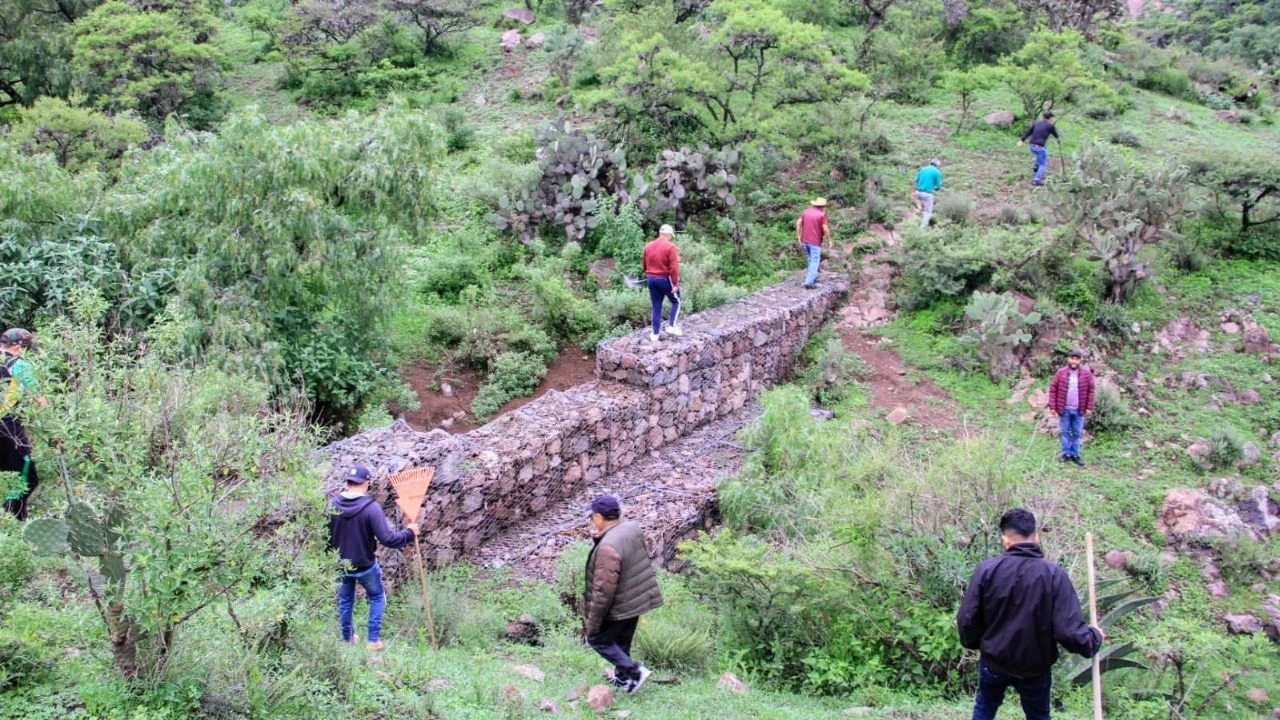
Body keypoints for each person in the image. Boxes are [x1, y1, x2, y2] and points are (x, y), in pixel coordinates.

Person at [957, 508, 1104, 720]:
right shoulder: (1054, 575)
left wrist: (977, 643)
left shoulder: (987, 571)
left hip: (994, 662)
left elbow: (967, 618)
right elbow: (1068, 630)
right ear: (1036, 537)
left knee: (985, 708)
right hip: (1035, 667)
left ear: (1005, 540)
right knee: (1038, 716)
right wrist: (1094, 638)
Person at [328, 465, 419, 651]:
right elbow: (388, 539)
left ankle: (347, 639)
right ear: (367, 483)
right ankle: (373, 641)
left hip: (340, 565)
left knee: (345, 601)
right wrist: (409, 533)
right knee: (377, 597)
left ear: (347, 483)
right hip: (365, 565)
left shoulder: (332, 505)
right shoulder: (371, 508)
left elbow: (324, 536)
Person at [583, 495, 663, 694]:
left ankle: (635, 672)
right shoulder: (631, 528)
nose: (592, 521)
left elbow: (603, 590)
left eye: (592, 517)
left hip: (620, 603)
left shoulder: (607, 547)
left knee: (598, 640)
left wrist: (593, 623)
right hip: (637, 598)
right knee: (621, 641)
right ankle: (622, 678)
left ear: (599, 518)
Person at [1, 329, 48, 521]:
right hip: (7, 428)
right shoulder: (19, 365)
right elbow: (40, 400)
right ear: (18, 346)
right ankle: (13, 523)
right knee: (25, 478)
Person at [1047, 349, 1095, 467]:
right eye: (1072, 358)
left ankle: (1075, 454)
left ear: (1080, 360)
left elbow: (1091, 391)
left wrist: (1089, 407)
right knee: (1065, 432)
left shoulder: (1086, 374)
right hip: (1064, 409)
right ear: (1068, 359)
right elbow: (1053, 389)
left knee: (1077, 433)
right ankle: (1066, 453)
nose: (1074, 361)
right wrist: (1053, 407)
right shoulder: (1061, 373)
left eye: (1076, 359)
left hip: (1079, 410)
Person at [642, 224, 682, 344]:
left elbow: (644, 265)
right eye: (671, 236)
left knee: (656, 306)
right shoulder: (670, 247)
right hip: (665, 279)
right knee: (676, 301)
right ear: (668, 235)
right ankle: (671, 326)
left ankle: (655, 334)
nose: (671, 238)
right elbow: (674, 267)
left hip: (651, 279)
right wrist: (675, 283)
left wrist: (650, 274)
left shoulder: (648, 246)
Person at [796, 198, 832, 289]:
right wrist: (830, 240)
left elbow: (798, 223)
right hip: (815, 242)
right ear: (823, 207)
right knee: (815, 260)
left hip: (805, 240)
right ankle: (809, 282)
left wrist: (799, 235)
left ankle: (812, 277)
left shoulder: (806, 212)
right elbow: (825, 229)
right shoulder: (822, 215)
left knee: (810, 258)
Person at [1017, 111, 1059, 187]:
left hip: (1032, 146)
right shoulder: (1050, 126)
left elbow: (1028, 132)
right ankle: (1036, 180)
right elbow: (1056, 135)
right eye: (1052, 117)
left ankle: (1036, 166)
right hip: (1039, 147)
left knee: (1044, 152)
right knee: (1043, 164)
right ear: (1050, 118)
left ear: (1043, 117)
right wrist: (1058, 139)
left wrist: (1022, 140)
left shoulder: (1036, 123)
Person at [914, 158, 943, 229]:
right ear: (937, 165)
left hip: (918, 192)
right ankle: (921, 229)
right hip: (927, 194)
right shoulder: (937, 172)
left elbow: (916, 181)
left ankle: (914, 223)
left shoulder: (923, 169)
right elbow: (938, 186)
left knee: (921, 209)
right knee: (928, 213)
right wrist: (936, 188)